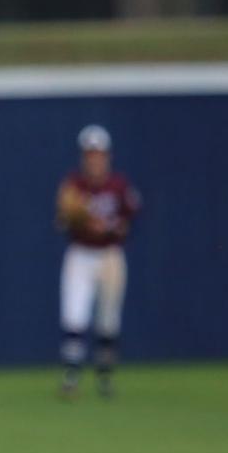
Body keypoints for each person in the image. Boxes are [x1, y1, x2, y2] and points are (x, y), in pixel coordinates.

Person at [55, 124, 142, 398]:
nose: (95, 158)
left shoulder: (118, 186)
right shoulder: (74, 185)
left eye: (99, 153)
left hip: (109, 255)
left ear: (107, 156)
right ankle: (71, 377)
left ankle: (105, 377)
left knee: (108, 319)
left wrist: (106, 226)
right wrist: (76, 217)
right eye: (90, 153)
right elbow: (61, 219)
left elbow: (129, 219)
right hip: (80, 253)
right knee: (74, 315)